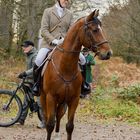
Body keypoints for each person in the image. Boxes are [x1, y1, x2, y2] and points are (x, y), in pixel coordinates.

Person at [33, 0, 73, 94]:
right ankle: (36, 85)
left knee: (82, 59)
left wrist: (65, 39)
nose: (66, 1)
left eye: (67, 0)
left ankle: (83, 85)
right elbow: (44, 30)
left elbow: (71, 30)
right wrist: (54, 41)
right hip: (48, 44)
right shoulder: (48, 11)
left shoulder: (70, 13)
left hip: (64, 45)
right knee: (38, 60)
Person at [17, 40, 45, 128]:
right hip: (30, 81)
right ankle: (21, 119)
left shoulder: (35, 55)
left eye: (25, 46)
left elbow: (35, 69)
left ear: (31, 47)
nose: (23, 48)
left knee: (40, 102)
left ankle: (44, 122)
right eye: (23, 46)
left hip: (37, 82)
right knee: (27, 100)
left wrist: (25, 73)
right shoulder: (29, 55)